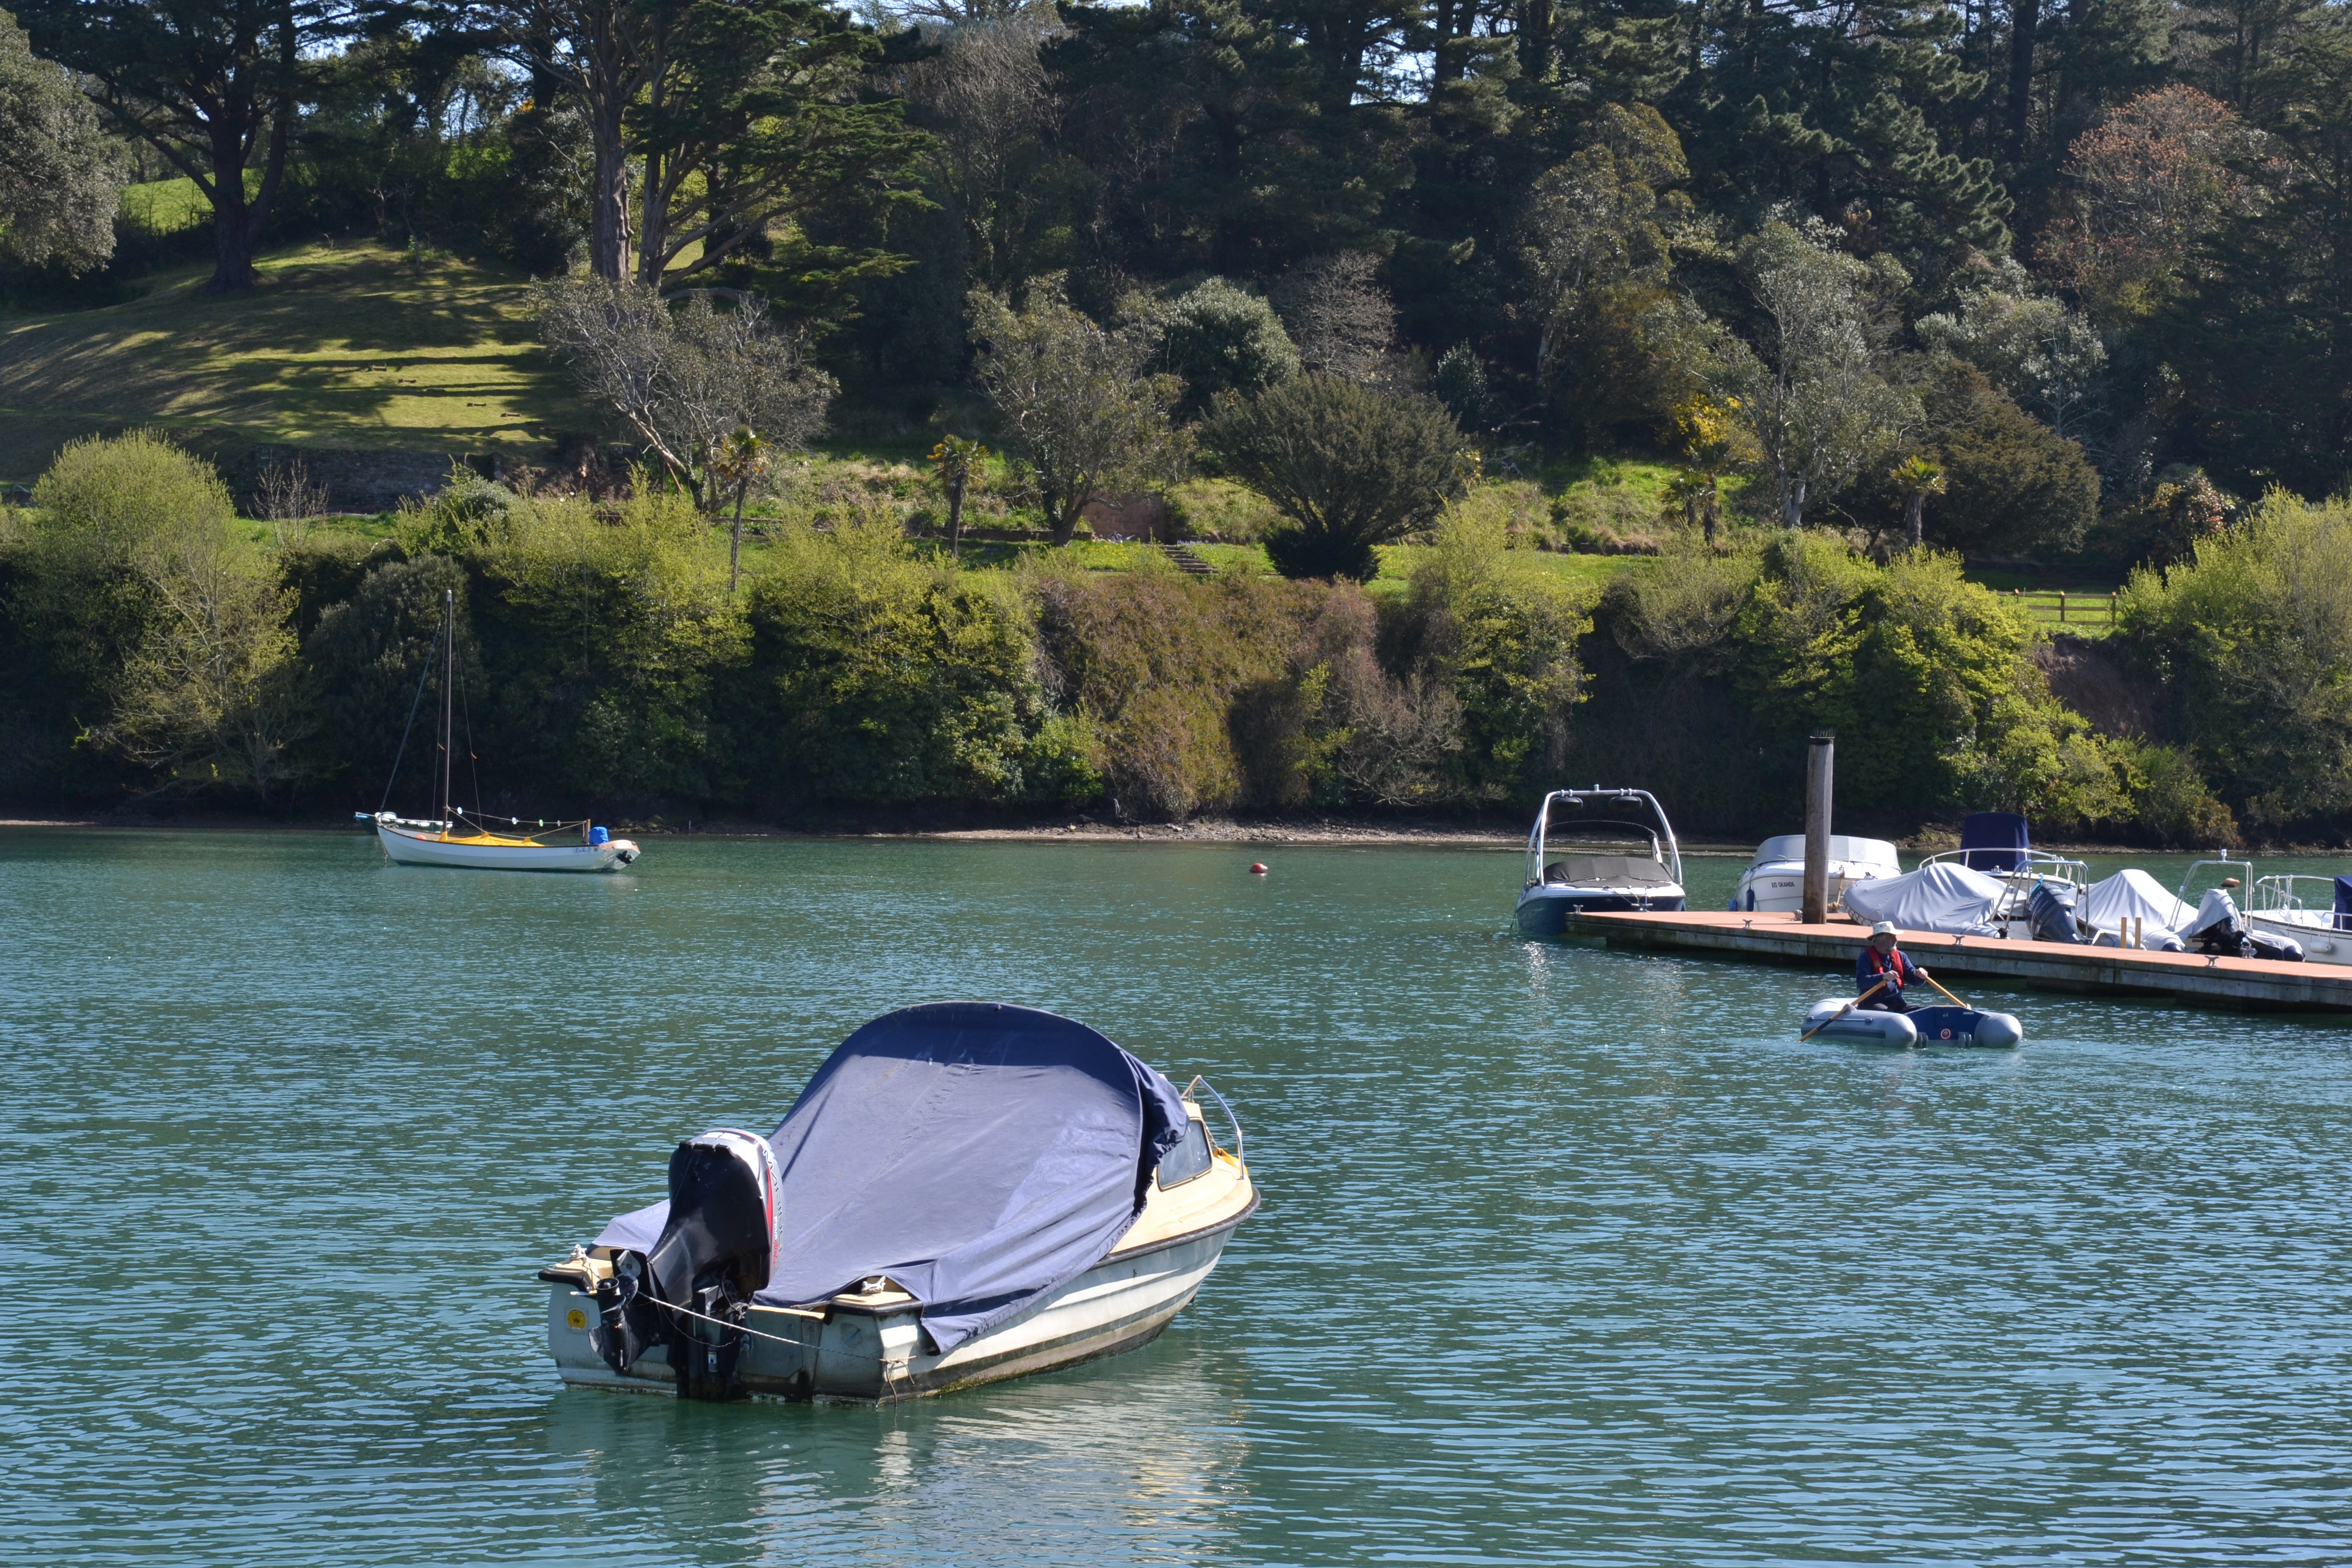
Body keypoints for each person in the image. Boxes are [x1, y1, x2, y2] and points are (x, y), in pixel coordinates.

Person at [1855, 921, 1929, 1012]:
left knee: (1922, 1012)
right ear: (1880, 940)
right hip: (1872, 1003)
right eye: (1892, 937)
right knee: (1889, 1014)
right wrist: (1883, 977)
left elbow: (1916, 982)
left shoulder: (1901, 956)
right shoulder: (1866, 957)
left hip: (1897, 1003)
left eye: (1895, 937)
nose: (1896, 940)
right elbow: (1862, 982)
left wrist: (1920, 976)